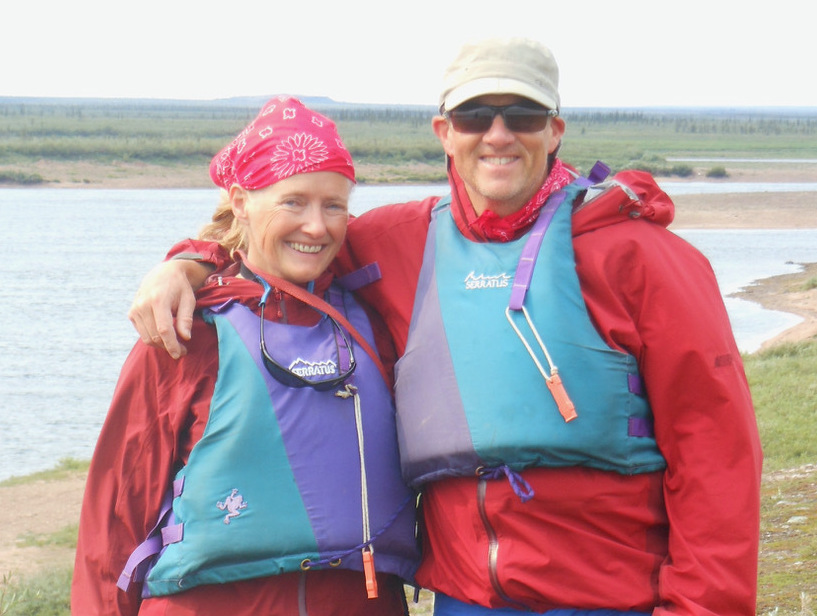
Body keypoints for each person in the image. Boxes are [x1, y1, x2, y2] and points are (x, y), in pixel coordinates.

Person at [129, 38, 763, 616]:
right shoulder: (398, 243)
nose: (498, 135)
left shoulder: (645, 258)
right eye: (473, 117)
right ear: (443, 131)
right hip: (466, 599)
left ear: (555, 130)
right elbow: (286, 242)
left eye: (522, 116)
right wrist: (189, 262)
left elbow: (716, 452)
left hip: (614, 598)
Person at [72, 96, 419, 616]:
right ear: (240, 201)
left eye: (334, 205)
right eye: (293, 202)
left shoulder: (373, 320)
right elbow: (116, 515)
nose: (317, 227)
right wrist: (187, 266)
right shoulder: (187, 332)